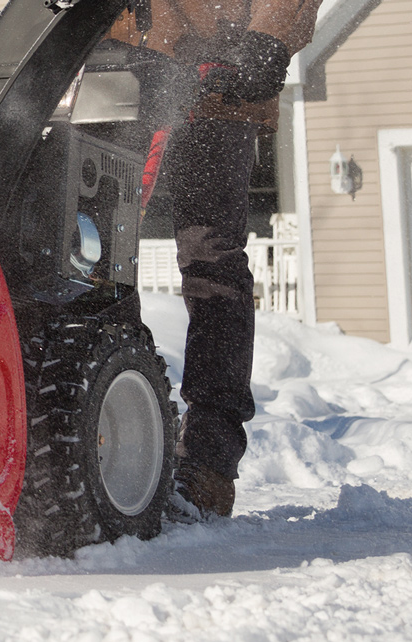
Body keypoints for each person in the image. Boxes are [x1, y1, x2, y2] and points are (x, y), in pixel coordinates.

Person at [109, 0, 322, 518]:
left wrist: (266, 40)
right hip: (113, 77)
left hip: (218, 88)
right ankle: (102, 426)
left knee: (209, 261)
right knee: (90, 258)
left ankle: (207, 461)